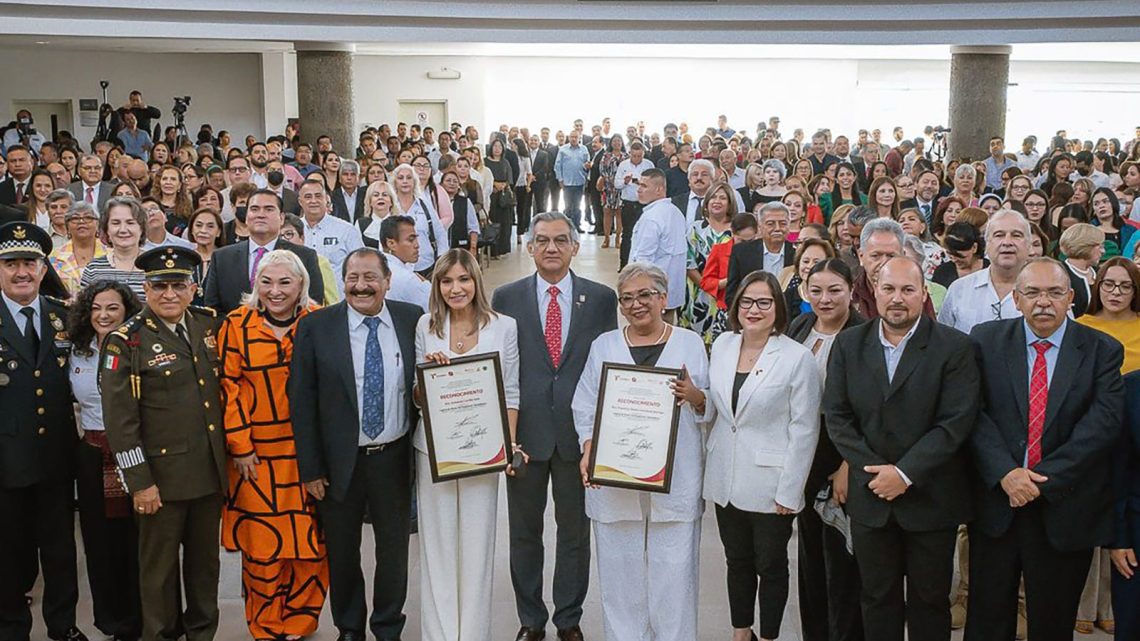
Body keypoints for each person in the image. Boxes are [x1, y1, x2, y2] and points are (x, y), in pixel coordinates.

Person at [966, 257, 1125, 641]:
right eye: (1033, 293)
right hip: (997, 505)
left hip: (1064, 507)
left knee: (1052, 624)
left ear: (1071, 297)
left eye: (1055, 293)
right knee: (987, 620)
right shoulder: (984, 341)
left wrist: (1040, 481)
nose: (1043, 302)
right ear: (1016, 299)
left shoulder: (1102, 349)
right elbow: (972, 413)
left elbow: (1102, 424)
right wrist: (1006, 472)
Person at [824, 256, 979, 641]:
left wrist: (905, 473)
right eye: (889, 289)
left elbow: (955, 422)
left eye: (908, 289)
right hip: (871, 499)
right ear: (874, 292)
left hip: (931, 498)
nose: (897, 298)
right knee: (877, 599)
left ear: (924, 294)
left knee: (930, 602)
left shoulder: (954, 347)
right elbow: (838, 417)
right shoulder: (848, 344)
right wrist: (876, 472)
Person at [491, 211, 615, 641]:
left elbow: (608, 367)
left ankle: (569, 619)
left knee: (574, 534)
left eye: (561, 240)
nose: (551, 248)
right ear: (528, 246)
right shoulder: (506, 297)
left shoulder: (601, 299)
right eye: (542, 240)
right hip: (524, 434)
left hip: (575, 437)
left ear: (575, 247)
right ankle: (530, 619)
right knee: (524, 533)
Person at [572, 263, 710, 641]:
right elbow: (584, 405)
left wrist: (696, 397)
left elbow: (710, 407)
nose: (636, 304)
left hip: (675, 475)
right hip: (615, 478)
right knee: (620, 576)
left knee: (675, 574)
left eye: (645, 295)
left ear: (664, 298)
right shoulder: (605, 346)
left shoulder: (688, 343)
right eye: (627, 298)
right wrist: (588, 448)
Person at [289, 248, 420, 641]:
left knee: (394, 551)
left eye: (370, 278)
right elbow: (302, 400)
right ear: (342, 281)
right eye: (353, 278)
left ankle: (387, 624)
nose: (361, 286)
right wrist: (311, 468)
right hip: (337, 461)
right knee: (342, 552)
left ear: (387, 281)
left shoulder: (411, 320)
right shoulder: (317, 327)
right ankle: (349, 627)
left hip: (394, 457)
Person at [100, 245, 227, 641]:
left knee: (205, 569)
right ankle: (160, 634)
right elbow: (121, 423)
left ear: (193, 289)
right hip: (160, 481)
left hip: (208, 474)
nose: (169, 294)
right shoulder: (127, 341)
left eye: (178, 285)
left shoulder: (209, 326)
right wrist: (139, 481)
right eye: (159, 286)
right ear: (145, 290)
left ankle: (202, 633)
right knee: (158, 572)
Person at [704, 270, 821, 641]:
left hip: (772, 482)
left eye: (764, 302)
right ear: (736, 306)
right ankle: (742, 631)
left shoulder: (796, 357)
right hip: (726, 474)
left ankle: (769, 635)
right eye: (747, 302)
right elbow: (721, 409)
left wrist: (791, 490)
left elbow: (805, 429)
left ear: (778, 308)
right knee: (736, 561)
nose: (754, 310)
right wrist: (695, 398)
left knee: (770, 565)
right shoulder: (723, 345)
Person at [411, 249, 520, 641]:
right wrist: (427, 377)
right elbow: (417, 396)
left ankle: (473, 633)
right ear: (437, 286)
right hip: (434, 450)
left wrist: (507, 448)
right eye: (446, 281)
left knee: (476, 545)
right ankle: (438, 634)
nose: (455, 288)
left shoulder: (503, 327)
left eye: (463, 279)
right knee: (438, 546)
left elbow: (512, 393)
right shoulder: (427, 326)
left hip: (483, 451)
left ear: (476, 281)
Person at [218, 250, 328, 641]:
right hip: (256, 457)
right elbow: (227, 388)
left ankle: (301, 620)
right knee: (263, 548)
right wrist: (240, 445)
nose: (275, 291)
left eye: (285, 282)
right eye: (267, 282)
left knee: (309, 547)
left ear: (301, 284)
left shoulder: (319, 320)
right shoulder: (235, 323)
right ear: (255, 284)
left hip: (308, 455)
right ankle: (266, 625)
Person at [0, 222, 88, 641]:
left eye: (30, 263)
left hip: (56, 456)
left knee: (60, 552)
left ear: (42, 267)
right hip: (5, 460)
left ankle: (63, 625)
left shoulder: (63, 316)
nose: (21, 272)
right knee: (8, 553)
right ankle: (12, 627)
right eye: (11, 263)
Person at [787, 259, 866, 641]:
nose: (825, 298)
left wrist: (850, 464)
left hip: (843, 458)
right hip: (805, 456)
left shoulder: (864, 334)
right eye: (815, 290)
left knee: (844, 562)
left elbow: (872, 409)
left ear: (852, 290)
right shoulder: (799, 327)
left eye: (834, 290)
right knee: (811, 558)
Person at [68, 281, 143, 641]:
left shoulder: (139, 348)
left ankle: (140, 618)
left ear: (127, 311)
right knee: (98, 542)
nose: (104, 315)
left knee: (137, 540)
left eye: (113, 308)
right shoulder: (77, 352)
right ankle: (110, 621)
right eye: (97, 308)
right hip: (92, 453)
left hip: (134, 452)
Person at [203, 189, 325, 314]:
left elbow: (313, 306)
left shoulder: (304, 257)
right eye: (254, 209)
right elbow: (212, 308)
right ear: (246, 217)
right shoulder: (222, 258)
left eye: (269, 209)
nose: (260, 215)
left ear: (281, 218)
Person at [939, 210, 1030, 332]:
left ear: (1029, 245)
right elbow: (943, 338)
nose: (1007, 242)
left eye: (1016, 235)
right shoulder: (959, 289)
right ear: (987, 244)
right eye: (999, 235)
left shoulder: (1045, 291)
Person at [682, 181, 737, 345]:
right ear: (706, 203)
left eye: (722, 198)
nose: (717, 201)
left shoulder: (736, 230)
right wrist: (708, 287)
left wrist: (722, 286)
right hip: (698, 293)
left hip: (728, 295)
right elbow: (689, 262)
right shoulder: (696, 228)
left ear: (730, 203)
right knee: (697, 344)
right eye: (713, 197)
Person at [628, 169, 687, 320]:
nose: (639, 189)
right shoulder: (676, 212)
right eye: (638, 185)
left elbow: (643, 260)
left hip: (651, 291)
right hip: (670, 290)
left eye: (644, 186)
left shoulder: (651, 218)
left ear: (659, 189)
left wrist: (634, 290)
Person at [725, 202, 796, 304]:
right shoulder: (741, 253)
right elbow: (732, 294)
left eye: (783, 223)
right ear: (760, 227)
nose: (777, 228)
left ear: (789, 225)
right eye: (770, 223)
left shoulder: (797, 253)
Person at [80, 197, 148, 300]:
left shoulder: (155, 266)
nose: (123, 230)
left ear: (141, 228)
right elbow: (84, 311)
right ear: (107, 229)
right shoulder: (93, 269)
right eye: (116, 223)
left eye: (130, 223)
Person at [50, 201, 105, 297]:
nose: (81, 222)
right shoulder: (53, 257)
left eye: (88, 217)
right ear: (67, 226)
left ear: (97, 224)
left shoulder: (111, 256)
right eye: (75, 218)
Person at [1058, 223, 1104, 318]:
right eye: (1100, 246)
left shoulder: (1101, 272)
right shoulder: (1058, 273)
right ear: (1086, 246)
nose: (1103, 251)